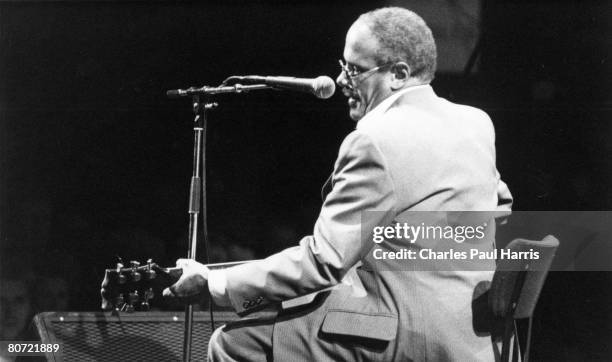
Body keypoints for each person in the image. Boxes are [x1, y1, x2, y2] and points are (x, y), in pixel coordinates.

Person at [163, 7, 513, 361]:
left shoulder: (375, 140)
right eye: (343, 65)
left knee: (235, 343)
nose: (341, 80)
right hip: (474, 333)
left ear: (399, 74)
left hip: (410, 336)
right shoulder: (474, 122)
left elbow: (323, 262)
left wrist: (217, 284)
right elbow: (501, 206)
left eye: (355, 70)